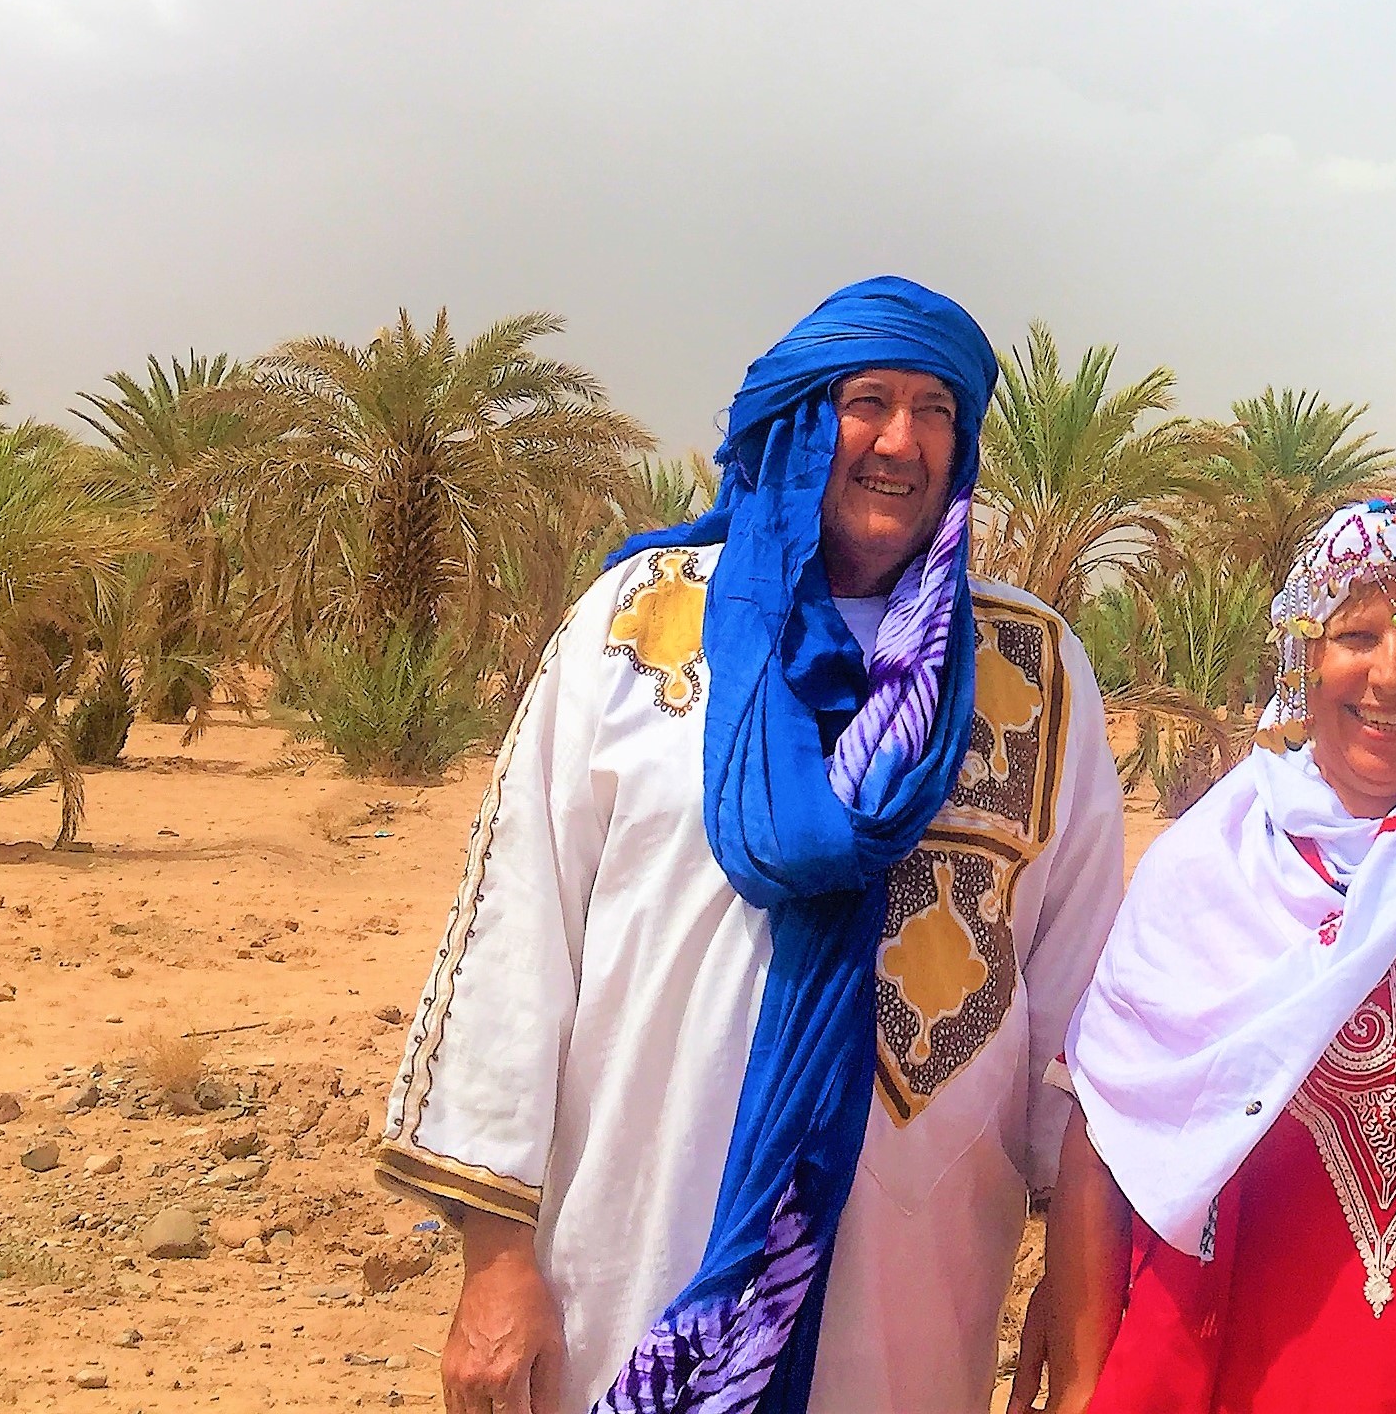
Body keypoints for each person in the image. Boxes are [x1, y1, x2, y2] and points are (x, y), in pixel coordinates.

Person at [375, 277, 1126, 1414]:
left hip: (917, 1296)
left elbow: (1086, 1001)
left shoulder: (1030, 666)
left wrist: (1076, 1306)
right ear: (797, 419)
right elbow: (515, 938)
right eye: (866, 400)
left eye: (936, 410)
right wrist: (494, 1258)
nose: (900, 440)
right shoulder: (635, 622)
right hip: (632, 1256)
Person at [1031, 496, 1396, 1413]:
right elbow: (1099, 1141)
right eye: (1356, 636)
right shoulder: (1201, 872)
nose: (1389, 674)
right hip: (1218, 1372)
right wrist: (1077, 1385)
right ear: (1304, 657)